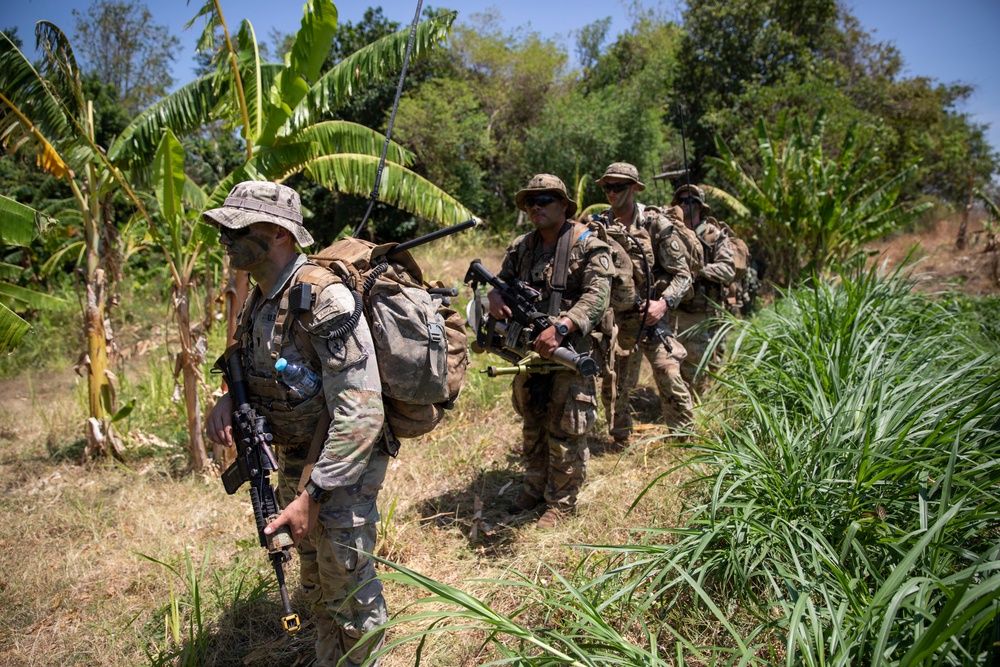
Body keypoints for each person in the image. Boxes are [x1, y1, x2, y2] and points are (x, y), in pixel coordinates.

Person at [204, 181, 390, 667]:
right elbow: (255, 360)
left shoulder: (325, 299)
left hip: (338, 466)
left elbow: (362, 412)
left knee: (348, 584)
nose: (224, 237)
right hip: (295, 455)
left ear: (280, 233)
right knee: (314, 579)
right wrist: (226, 397)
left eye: (237, 227)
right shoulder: (263, 296)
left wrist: (313, 495)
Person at [488, 174, 612, 529]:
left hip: (570, 351)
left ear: (564, 205)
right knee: (533, 421)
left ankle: (561, 503)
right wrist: (495, 297)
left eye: (544, 199)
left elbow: (597, 296)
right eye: (530, 202)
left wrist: (562, 327)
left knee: (567, 427)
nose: (536, 207)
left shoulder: (589, 245)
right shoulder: (522, 246)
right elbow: (503, 281)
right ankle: (534, 486)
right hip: (530, 351)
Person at [592, 163, 698, 448]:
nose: (611, 193)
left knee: (668, 372)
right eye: (607, 187)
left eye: (618, 187)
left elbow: (683, 274)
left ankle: (685, 439)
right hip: (615, 319)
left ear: (635, 188)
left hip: (652, 317)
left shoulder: (655, 224)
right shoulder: (599, 225)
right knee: (615, 381)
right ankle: (620, 438)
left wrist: (662, 304)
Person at [670, 184, 736, 395]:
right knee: (673, 362)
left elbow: (728, 269)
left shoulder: (713, 236)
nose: (683, 205)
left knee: (697, 364)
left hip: (702, 311)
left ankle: (698, 407)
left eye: (689, 201)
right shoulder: (672, 233)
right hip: (675, 310)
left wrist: (701, 270)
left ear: (699, 206)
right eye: (680, 201)